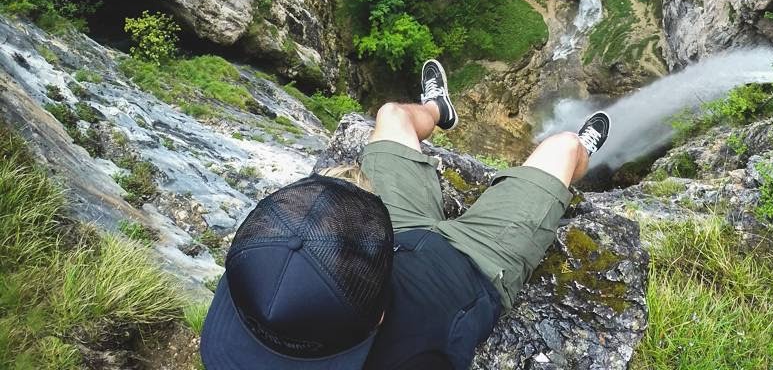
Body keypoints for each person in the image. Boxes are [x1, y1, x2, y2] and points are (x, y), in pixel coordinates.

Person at [200, 59, 611, 369]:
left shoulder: (258, 284)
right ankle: (582, 150)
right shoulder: (416, 357)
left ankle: (436, 111)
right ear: (379, 315)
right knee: (563, 146)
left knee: (391, 116)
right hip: (474, 266)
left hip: (388, 234)